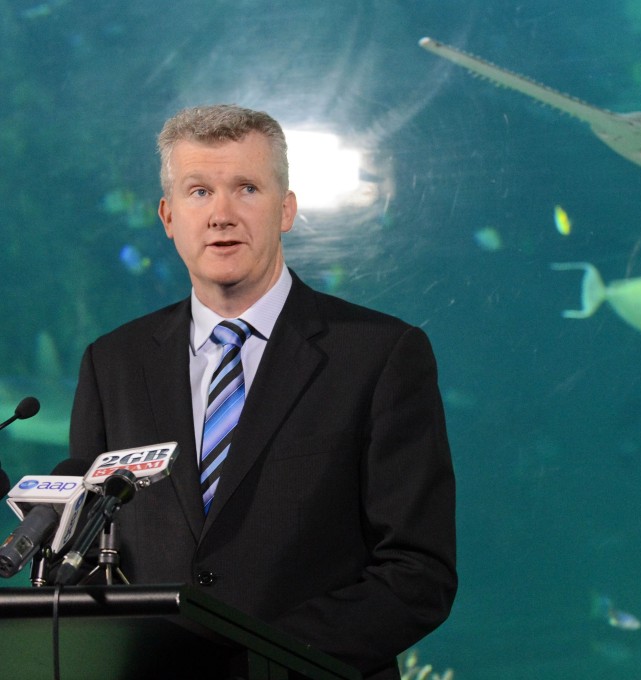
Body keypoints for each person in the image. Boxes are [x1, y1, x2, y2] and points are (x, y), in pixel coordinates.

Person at [68, 105, 457, 680]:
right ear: (168, 216)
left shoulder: (381, 355)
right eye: (199, 192)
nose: (221, 214)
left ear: (287, 209)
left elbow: (417, 573)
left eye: (246, 188)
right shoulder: (113, 362)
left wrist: (257, 659)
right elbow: (80, 550)